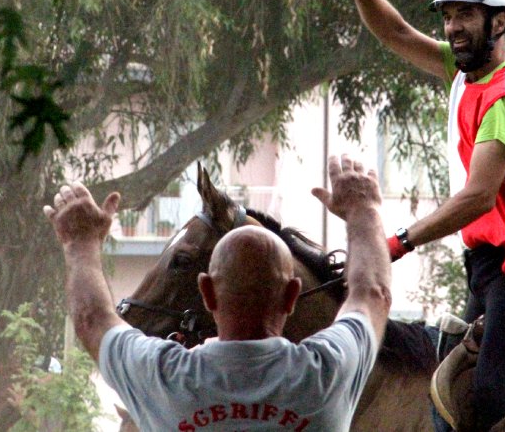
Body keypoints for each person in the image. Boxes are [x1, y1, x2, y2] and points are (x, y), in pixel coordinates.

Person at [331, 0, 505, 432]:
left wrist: (398, 241)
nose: (452, 27)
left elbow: (478, 197)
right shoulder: (465, 72)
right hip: (486, 263)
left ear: (499, 22)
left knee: (490, 396)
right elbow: (396, 33)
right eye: (447, 16)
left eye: (465, 15)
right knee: (453, 386)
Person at [42, 154, 392, 431]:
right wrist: (363, 210)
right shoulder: (329, 370)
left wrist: (80, 242)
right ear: (291, 296)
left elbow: (91, 318)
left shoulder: (163, 377)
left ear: (207, 292)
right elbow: (372, 293)